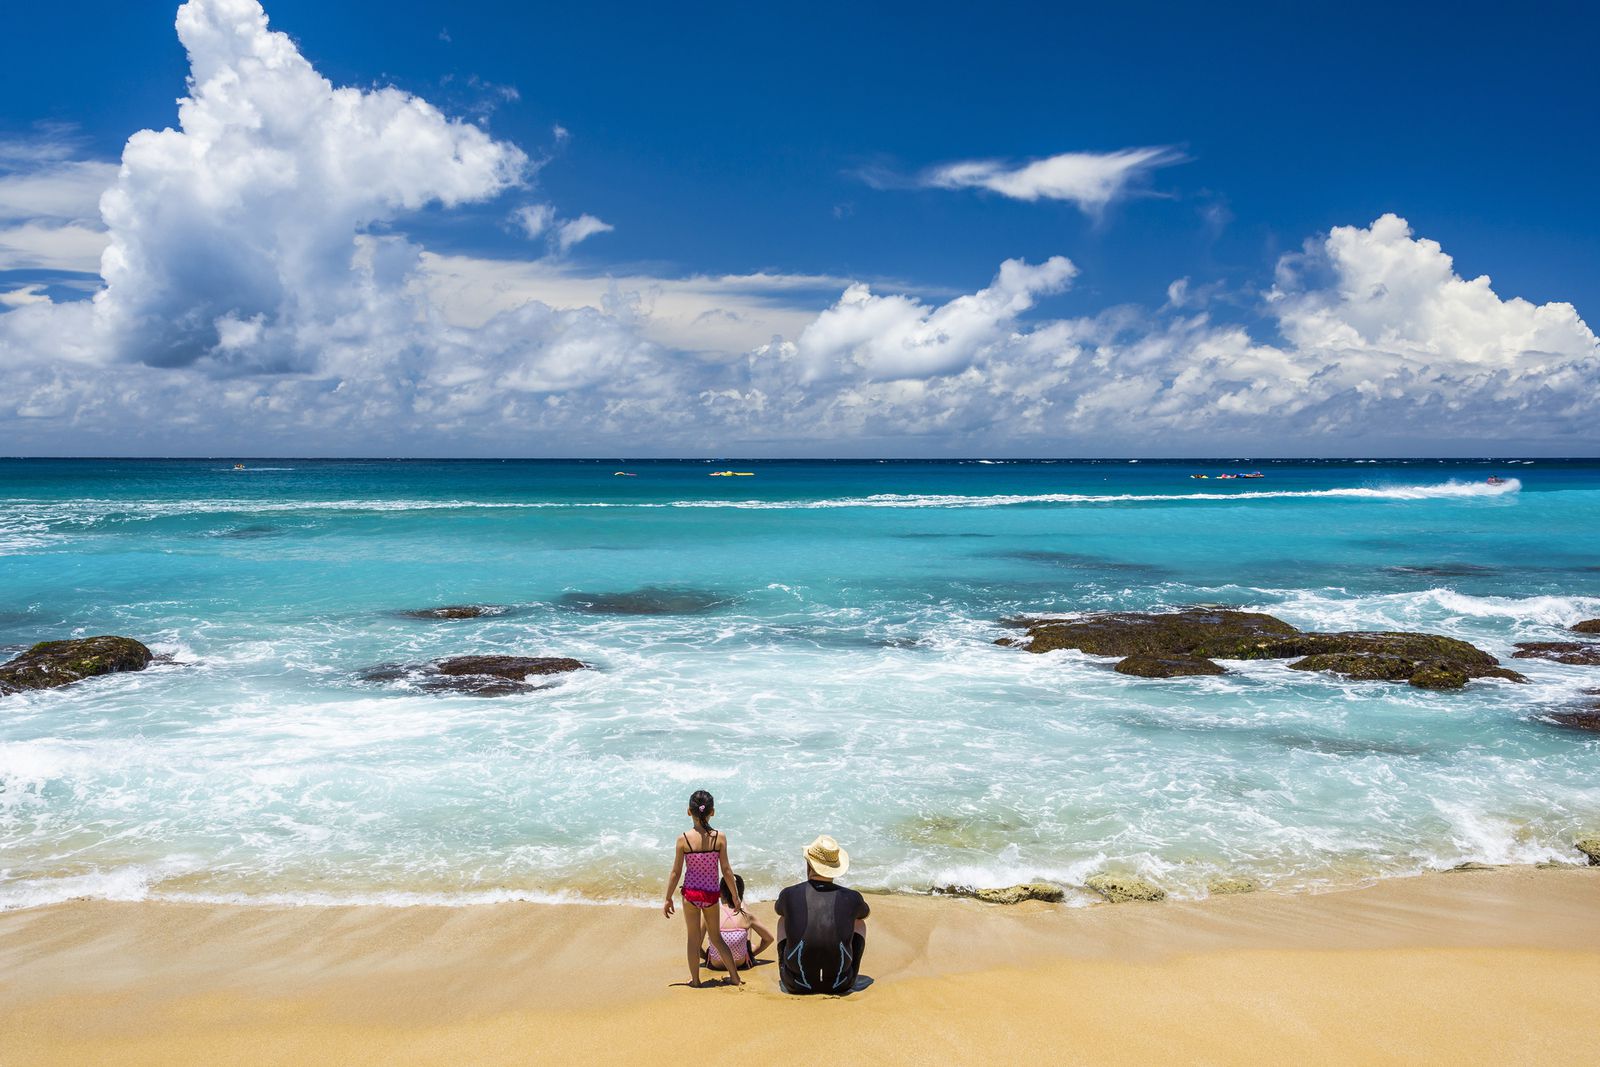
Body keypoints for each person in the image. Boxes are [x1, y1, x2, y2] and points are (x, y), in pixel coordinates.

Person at [662, 789, 745, 987]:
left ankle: (696, 981)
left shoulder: (683, 839)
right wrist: (735, 896)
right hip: (711, 895)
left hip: (690, 893)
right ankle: (734, 977)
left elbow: (675, 872)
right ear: (712, 812)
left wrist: (667, 898)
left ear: (688, 812)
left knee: (693, 938)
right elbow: (726, 870)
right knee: (715, 937)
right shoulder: (719, 838)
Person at [774, 834, 869, 995]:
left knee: (783, 920)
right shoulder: (852, 897)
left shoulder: (789, 894)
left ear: (808, 864)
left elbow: (779, 910)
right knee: (859, 923)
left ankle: (785, 968)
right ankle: (852, 971)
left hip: (796, 984)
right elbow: (865, 914)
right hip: (841, 984)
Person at [702, 874, 774, 972]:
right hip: (739, 963)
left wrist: (707, 956)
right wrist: (752, 953)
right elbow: (769, 939)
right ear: (741, 893)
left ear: (720, 893)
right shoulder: (747, 916)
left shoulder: (709, 914)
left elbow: (695, 944)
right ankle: (746, 950)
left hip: (716, 963)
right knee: (745, 917)